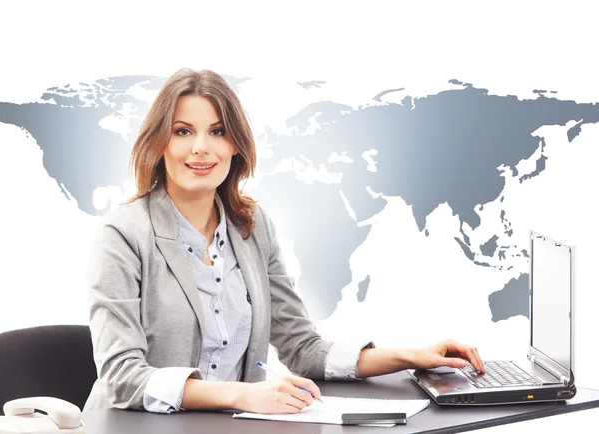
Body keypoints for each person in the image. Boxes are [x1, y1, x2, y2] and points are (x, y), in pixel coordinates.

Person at [83, 68, 484, 415]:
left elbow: (302, 348)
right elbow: (123, 378)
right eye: (183, 131)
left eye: (217, 131)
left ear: (235, 145)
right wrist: (243, 396)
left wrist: (410, 357)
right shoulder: (123, 235)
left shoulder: (252, 227)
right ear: (160, 143)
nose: (201, 147)